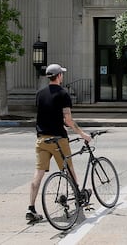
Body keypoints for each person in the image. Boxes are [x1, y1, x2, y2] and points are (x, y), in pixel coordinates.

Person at [26, 63, 92, 223]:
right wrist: (82, 133)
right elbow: (68, 119)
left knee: (38, 173)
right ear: (59, 76)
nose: (63, 76)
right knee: (69, 168)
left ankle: (31, 208)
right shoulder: (63, 94)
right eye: (62, 74)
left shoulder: (40, 94)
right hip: (58, 139)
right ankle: (78, 196)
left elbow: (46, 113)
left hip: (41, 139)